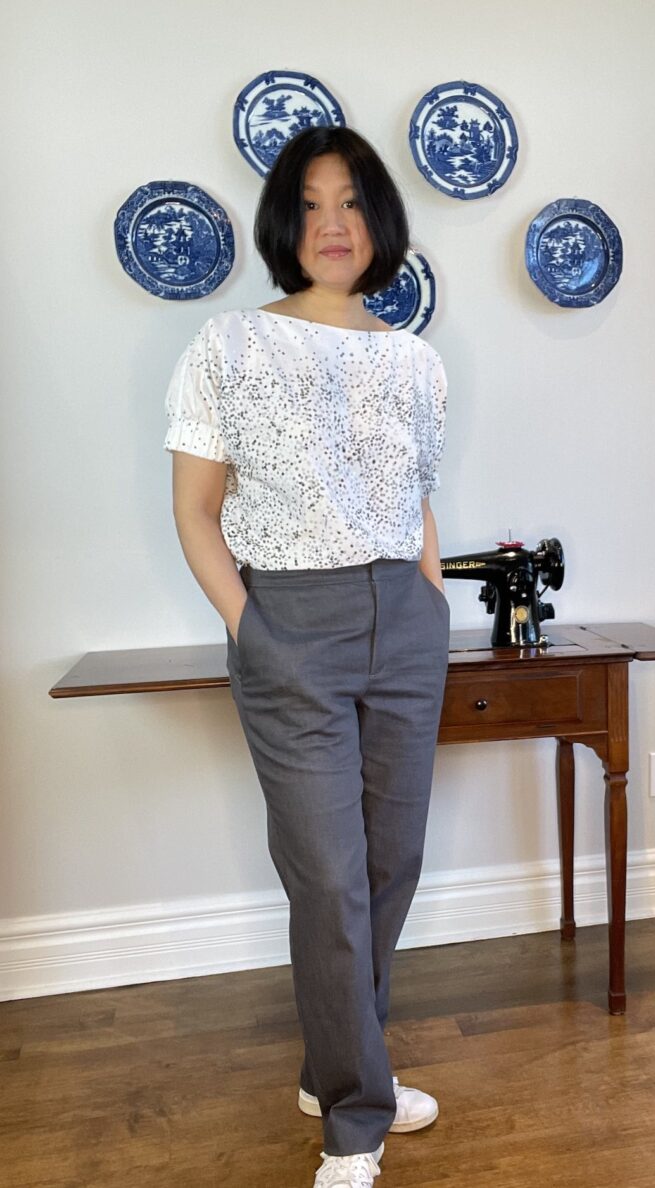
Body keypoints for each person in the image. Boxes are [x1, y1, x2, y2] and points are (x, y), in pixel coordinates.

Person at [163, 125, 450, 1188]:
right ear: (288, 223)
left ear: (381, 223)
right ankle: (354, 1125)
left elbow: (413, 498)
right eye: (314, 204)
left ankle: (330, 1066)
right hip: (291, 624)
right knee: (327, 878)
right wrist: (253, 629)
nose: (335, 224)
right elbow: (196, 513)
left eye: (355, 203)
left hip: (404, 623)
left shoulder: (414, 360)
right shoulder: (228, 347)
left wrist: (426, 597)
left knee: (388, 864)